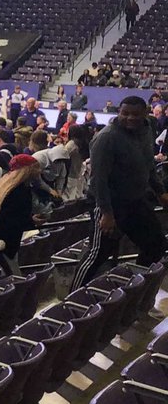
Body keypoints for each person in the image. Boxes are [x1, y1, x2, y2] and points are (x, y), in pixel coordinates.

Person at [71, 98, 168, 284]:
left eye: (135, 114)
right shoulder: (107, 138)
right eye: (125, 113)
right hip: (110, 204)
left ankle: (136, 286)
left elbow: (149, 164)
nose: (130, 117)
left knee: (156, 244)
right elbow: (98, 180)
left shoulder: (147, 130)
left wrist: (160, 191)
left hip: (136, 201)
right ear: (119, 113)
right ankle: (73, 295)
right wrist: (106, 213)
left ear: (145, 114)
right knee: (97, 254)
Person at [0, 154, 44, 277]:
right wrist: (31, 222)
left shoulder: (10, 186)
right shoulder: (17, 191)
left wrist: (31, 220)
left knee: (9, 273)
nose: (39, 171)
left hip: (2, 239)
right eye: (36, 168)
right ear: (27, 170)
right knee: (13, 276)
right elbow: (10, 219)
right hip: (3, 240)